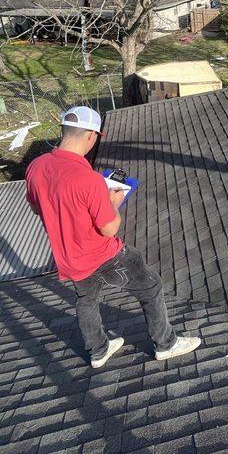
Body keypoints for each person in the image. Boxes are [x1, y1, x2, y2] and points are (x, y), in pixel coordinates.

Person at [25, 105, 200, 368]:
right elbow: (109, 228)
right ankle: (166, 344)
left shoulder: (35, 168)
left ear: (64, 130)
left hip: (70, 257)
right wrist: (112, 202)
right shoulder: (89, 179)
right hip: (103, 254)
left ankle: (98, 351)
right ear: (91, 136)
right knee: (151, 286)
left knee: (86, 301)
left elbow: (37, 207)